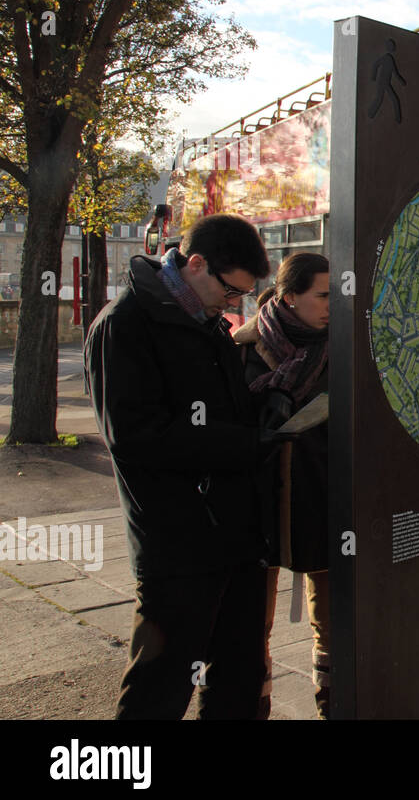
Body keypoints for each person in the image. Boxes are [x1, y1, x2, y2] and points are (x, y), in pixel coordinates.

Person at [84, 213, 277, 719]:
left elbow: (221, 411)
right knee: (160, 689)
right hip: (177, 545)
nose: (235, 304)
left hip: (236, 535)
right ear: (195, 264)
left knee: (238, 679)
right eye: (231, 291)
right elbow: (135, 438)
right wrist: (243, 443)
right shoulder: (124, 324)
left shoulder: (206, 321)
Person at [234, 253, 331, 719]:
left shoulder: (344, 347)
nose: (334, 304)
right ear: (290, 297)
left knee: (333, 628)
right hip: (259, 508)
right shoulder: (243, 348)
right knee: (253, 627)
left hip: (325, 503)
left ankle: (334, 705)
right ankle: (255, 705)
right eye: (324, 295)